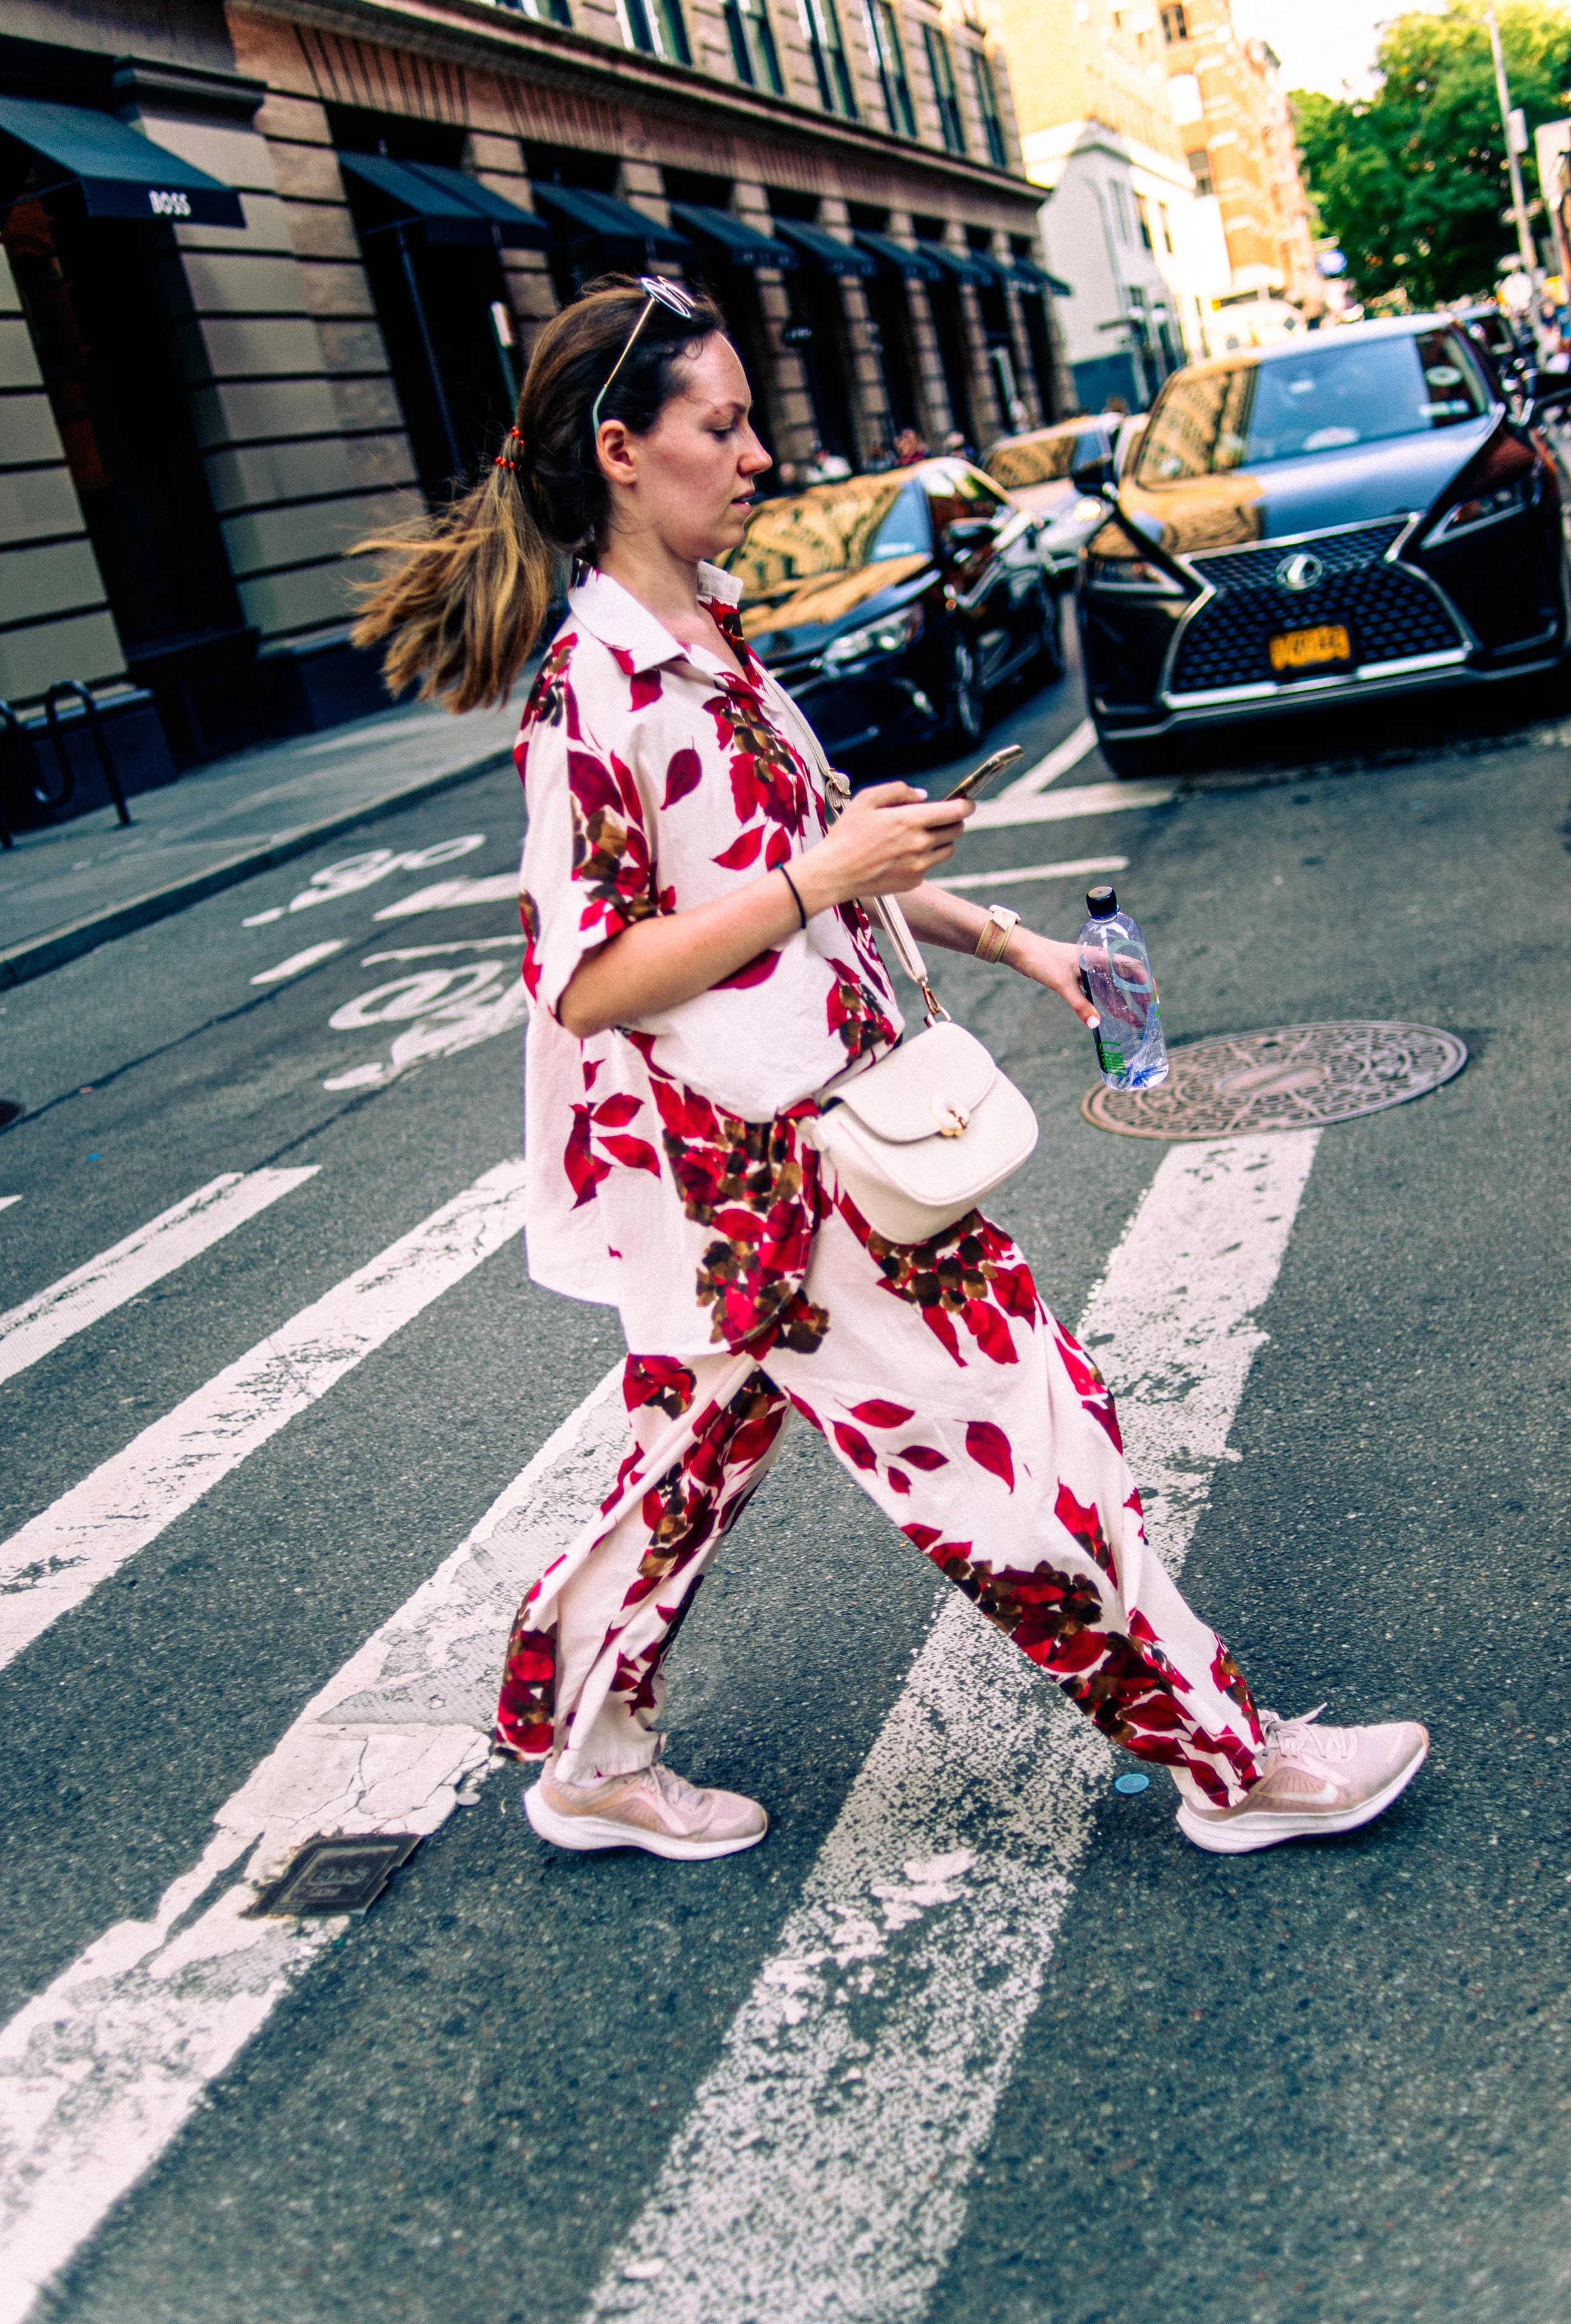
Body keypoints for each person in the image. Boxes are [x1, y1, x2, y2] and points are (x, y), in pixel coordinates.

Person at [353, 274, 1429, 1866]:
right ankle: (1228, 1761)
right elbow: (585, 983)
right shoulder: (597, 696)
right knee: (1016, 1426)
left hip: (769, 1161)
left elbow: (818, 850)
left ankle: (584, 1754)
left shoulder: (700, 640)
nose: (754, 457)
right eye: (719, 427)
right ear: (620, 450)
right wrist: (813, 880)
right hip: (771, 1169)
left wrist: (1008, 940)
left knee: (689, 1463)